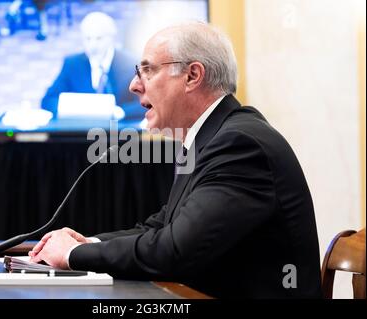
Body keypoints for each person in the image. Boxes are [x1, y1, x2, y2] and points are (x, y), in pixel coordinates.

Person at [29, 22, 322, 298]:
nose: (133, 85)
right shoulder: (212, 137)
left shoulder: (239, 145)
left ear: (192, 76)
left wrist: (71, 256)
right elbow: (162, 228)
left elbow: (176, 251)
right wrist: (88, 244)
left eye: (147, 71)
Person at [41, 11, 144, 121]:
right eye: (88, 39)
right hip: (81, 132)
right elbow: (48, 100)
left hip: (119, 131)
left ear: (112, 38)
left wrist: (122, 112)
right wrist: (74, 111)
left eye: (98, 38)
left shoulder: (130, 63)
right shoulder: (72, 64)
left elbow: (146, 102)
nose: (92, 45)